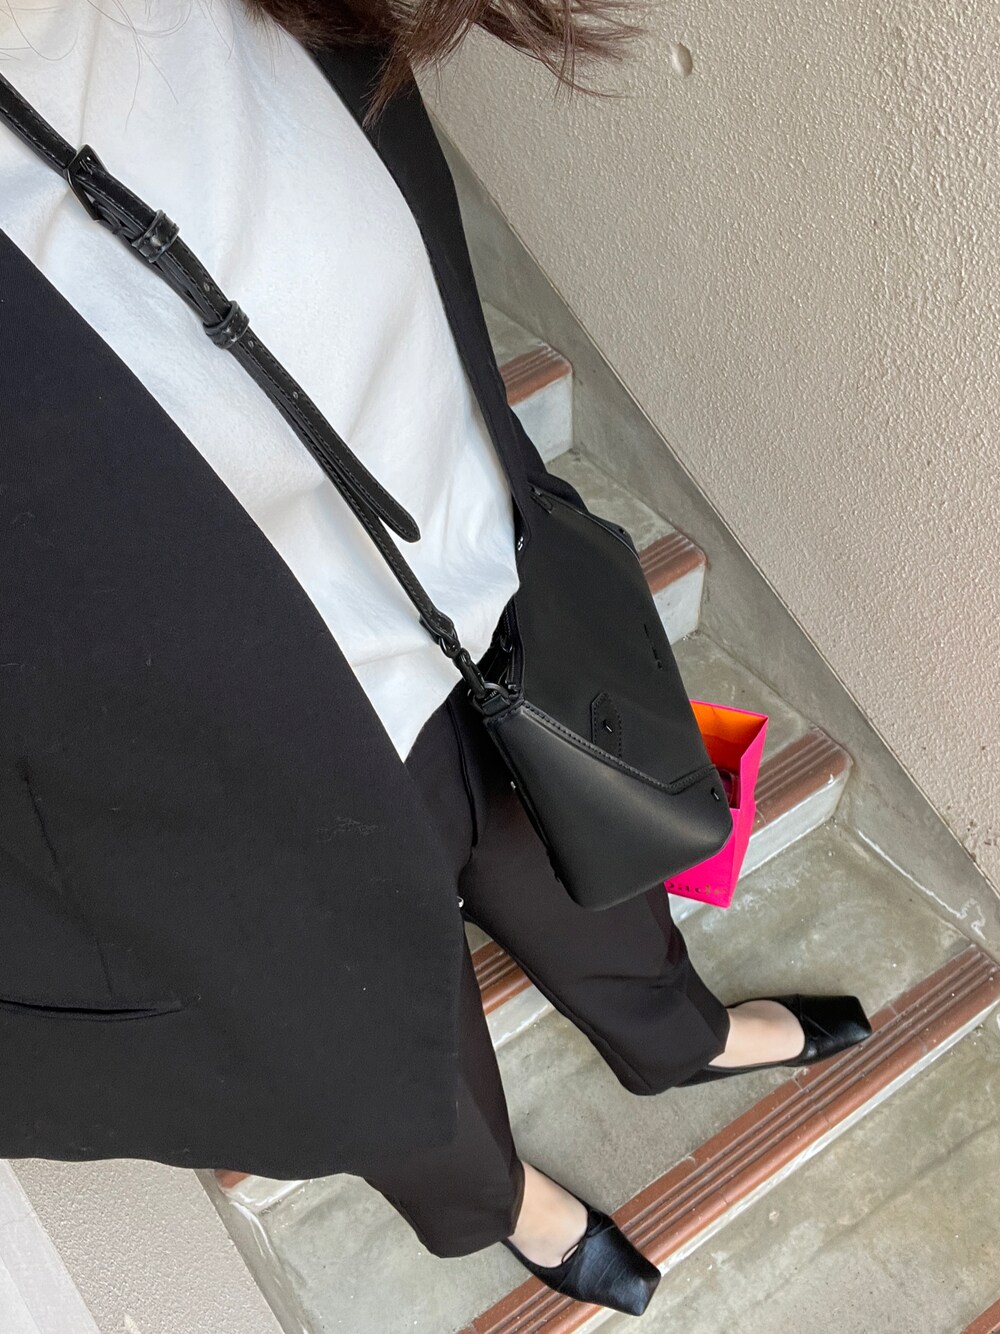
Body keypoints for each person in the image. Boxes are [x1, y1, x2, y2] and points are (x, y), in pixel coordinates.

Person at [0, 0, 872, 1318]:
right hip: (251, 773)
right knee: (388, 1051)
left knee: (597, 877)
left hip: (485, 593)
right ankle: (506, 1206)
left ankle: (673, 1038)